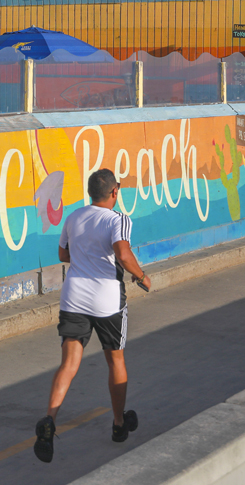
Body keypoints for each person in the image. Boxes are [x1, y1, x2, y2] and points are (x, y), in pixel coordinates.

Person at [34, 168, 151, 463]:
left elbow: (63, 254)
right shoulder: (118, 219)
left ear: (90, 193)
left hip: (73, 297)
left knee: (69, 364)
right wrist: (141, 277)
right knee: (115, 359)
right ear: (115, 192)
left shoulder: (74, 217)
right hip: (107, 301)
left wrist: (84, 258)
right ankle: (118, 423)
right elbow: (123, 254)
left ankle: (49, 420)